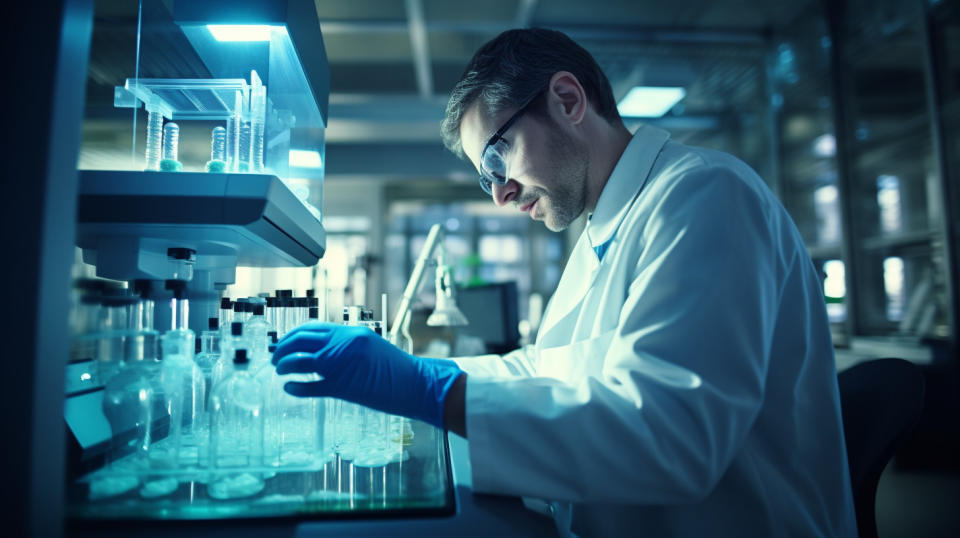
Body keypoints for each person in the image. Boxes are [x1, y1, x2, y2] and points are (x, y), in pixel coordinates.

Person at [272, 28, 857, 537]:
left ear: (568, 100)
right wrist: (431, 378)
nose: (500, 193)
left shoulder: (706, 196)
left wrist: (434, 391)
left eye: (497, 160)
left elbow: (672, 435)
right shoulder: (605, 227)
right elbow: (550, 366)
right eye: (486, 178)